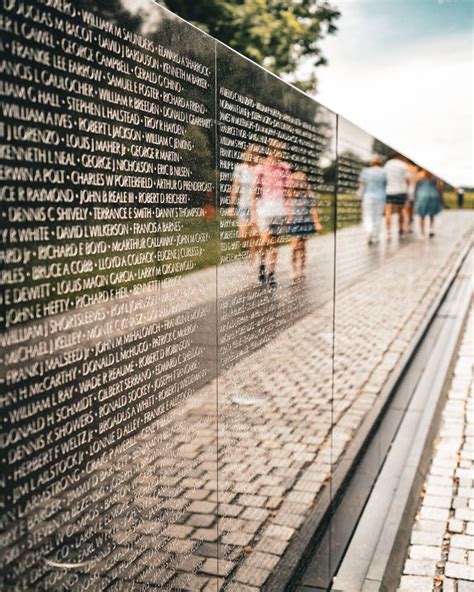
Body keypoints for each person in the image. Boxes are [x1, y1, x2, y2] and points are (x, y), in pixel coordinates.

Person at [251, 139, 292, 289]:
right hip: (264, 209)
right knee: (265, 240)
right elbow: (254, 193)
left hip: (279, 208)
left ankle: (272, 273)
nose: (279, 154)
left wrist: (289, 213)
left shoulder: (285, 169)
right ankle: (262, 266)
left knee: (275, 243)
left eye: (281, 151)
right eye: (277, 151)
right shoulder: (260, 168)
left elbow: (288, 193)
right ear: (270, 151)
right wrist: (254, 214)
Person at [228, 145, 262, 258]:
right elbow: (235, 187)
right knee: (243, 235)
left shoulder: (259, 169)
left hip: (257, 206)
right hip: (243, 205)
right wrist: (232, 206)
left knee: (254, 234)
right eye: (253, 153)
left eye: (257, 154)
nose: (254, 156)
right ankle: (250, 252)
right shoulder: (240, 169)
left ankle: (252, 259)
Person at [288, 171, 322, 280]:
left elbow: (313, 209)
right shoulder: (291, 194)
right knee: (294, 247)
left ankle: (301, 269)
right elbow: (288, 208)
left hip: (306, 223)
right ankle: (293, 269)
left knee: (303, 247)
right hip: (294, 223)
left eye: (301, 181)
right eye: (297, 181)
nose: (299, 183)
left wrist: (317, 223)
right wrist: (288, 218)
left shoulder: (309, 194)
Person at [358, 155, 387, 244]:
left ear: (371, 162)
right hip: (381, 197)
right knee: (378, 217)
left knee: (367, 215)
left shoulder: (365, 171)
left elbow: (361, 185)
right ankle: (375, 236)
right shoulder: (384, 172)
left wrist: (359, 195)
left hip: (368, 196)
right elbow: (385, 185)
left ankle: (369, 232)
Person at [384, 152, 410, 238]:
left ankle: (388, 231)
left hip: (389, 190)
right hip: (400, 190)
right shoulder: (403, 165)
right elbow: (407, 180)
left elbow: (384, 177)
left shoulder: (388, 164)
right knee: (400, 211)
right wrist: (407, 190)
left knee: (388, 211)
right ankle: (400, 228)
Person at [415, 170, 442, 238]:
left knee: (422, 216)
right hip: (433, 195)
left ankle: (422, 232)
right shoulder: (435, 176)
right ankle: (431, 230)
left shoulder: (419, 175)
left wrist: (415, 197)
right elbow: (438, 187)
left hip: (422, 196)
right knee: (431, 215)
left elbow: (416, 187)